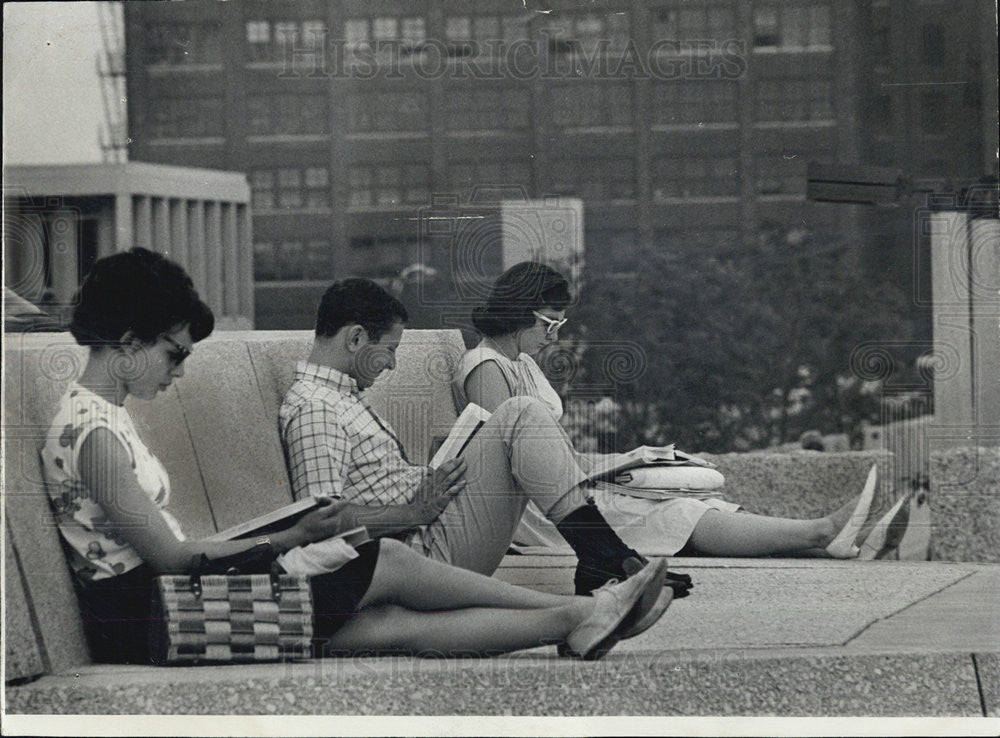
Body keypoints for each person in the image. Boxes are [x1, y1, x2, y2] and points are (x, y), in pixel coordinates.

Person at [41, 248, 674, 665]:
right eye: (174, 353)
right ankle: (594, 607)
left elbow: (169, 554)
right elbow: (173, 558)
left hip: (163, 614)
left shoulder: (97, 418)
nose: (178, 371)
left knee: (394, 627)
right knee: (387, 568)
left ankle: (581, 617)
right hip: (158, 617)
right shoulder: (92, 433)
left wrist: (292, 534)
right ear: (127, 344)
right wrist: (294, 532)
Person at [454, 261, 910, 564]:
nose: (555, 335)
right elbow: (513, 462)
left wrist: (624, 463)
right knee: (673, 513)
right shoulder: (485, 367)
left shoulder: (523, 364)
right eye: (550, 323)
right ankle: (824, 530)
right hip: (542, 510)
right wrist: (607, 473)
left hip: (568, 483)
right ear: (520, 313)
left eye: (561, 325)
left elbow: (551, 450)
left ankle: (835, 543)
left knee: (688, 502)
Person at [279, 278, 689, 598]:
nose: (391, 365)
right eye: (389, 350)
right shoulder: (316, 408)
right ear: (354, 339)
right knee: (520, 413)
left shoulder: (338, 398)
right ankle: (605, 556)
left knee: (519, 415)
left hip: (430, 533)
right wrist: (412, 513)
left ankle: (603, 557)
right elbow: (322, 525)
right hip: (420, 549)